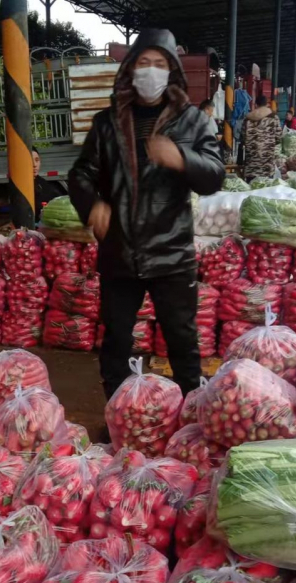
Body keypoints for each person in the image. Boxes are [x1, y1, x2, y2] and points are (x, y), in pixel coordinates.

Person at [69, 29, 225, 399]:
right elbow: (80, 173)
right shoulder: (106, 124)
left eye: (159, 64)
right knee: (117, 340)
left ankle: (189, 408)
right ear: (130, 70)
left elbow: (214, 175)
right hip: (120, 251)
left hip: (172, 252)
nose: (151, 71)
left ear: (171, 71)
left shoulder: (192, 122)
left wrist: (182, 158)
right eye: (143, 63)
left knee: (182, 340)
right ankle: (118, 411)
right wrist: (92, 205)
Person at [241, 93, 281, 180]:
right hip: (267, 161)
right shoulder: (274, 117)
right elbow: (278, 137)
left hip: (252, 161)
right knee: (266, 189)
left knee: (251, 187)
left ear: (256, 105)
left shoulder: (247, 119)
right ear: (267, 104)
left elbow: (243, 137)